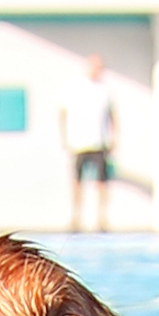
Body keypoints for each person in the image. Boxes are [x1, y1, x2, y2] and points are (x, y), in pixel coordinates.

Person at [62, 55, 117, 231]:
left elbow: (112, 115)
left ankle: (101, 219)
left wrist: (113, 138)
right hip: (79, 143)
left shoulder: (104, 91)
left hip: (99, 143)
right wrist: (65, 138)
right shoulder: (75, 88)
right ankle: (76, 217)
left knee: (101, 182)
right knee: (78, 181)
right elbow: (63, 113)